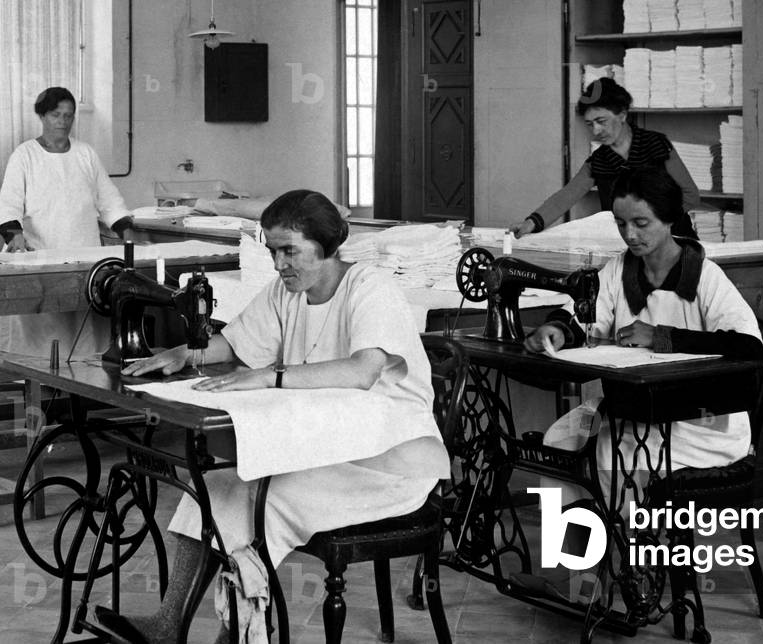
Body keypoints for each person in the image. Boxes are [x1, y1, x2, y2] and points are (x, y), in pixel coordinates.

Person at [99, 190, 450, 644]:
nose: (280, 263)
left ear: (326, 247)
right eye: (273, 251)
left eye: (290, 251)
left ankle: (239, 638)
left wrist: (271, 376)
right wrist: (185, 353)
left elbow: (363, 371)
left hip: (390, 464)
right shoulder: (287, 292)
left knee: (266, 499)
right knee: (216, 484)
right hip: (332, 449)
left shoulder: (370, 289)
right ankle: (169, 625)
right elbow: (240, 341)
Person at [525, 165, 762, 493]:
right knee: (559, 442)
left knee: (610, 454)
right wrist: (559, 331)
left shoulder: (705, 276)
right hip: (635, 410)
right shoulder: (619, 270)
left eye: (640, 223)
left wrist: (660, 336)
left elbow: (749, 345)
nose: (629, 235)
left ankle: (622, 540)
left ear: (668, 220)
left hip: (703, 424)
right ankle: (571, 544)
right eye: (620, 223)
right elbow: (585, 317)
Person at [0, 86, 134, 356]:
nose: (62, 121)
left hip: (84, 254)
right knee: (42, 327)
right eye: (55, 114)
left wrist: (126, 231)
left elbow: (108, 199)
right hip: (42, 255)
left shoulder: (86, 154)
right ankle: (41, 383)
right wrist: (14, 235)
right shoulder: (25, 155)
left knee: (83, 324)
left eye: (68, 115)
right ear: (42, 116)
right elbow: (8, 203)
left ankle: (85, 382)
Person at [508, 78, 701, 238]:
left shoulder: (655, 144)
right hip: (629, 244)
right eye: (590, 124)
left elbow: (691, 194)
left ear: (623, 115)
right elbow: (565, 197)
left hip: (674, 240)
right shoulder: (599, 160)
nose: (596, 131)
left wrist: (657, 221)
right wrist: (531, 223)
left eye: (601, 121)